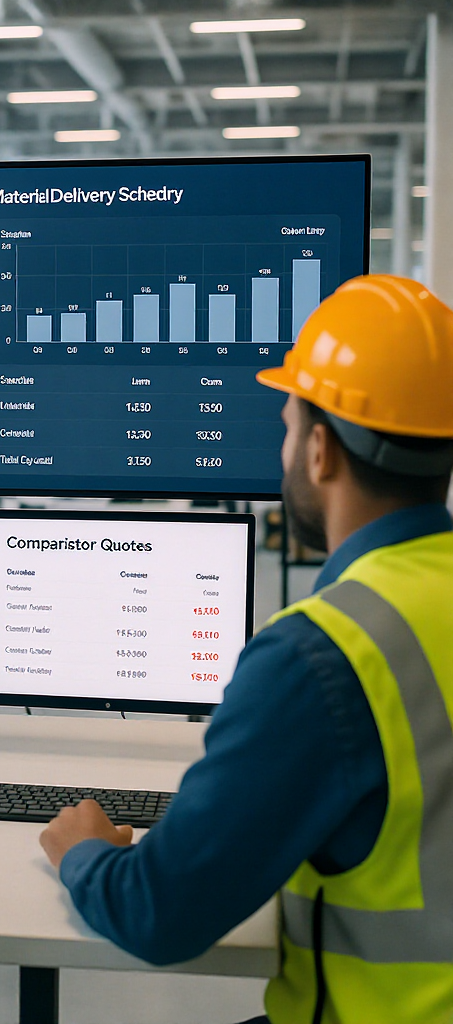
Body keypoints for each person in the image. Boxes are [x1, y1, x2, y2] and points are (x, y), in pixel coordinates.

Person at [38, 274, 453, 1024]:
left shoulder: (322, 655)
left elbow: (159, 912)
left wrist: (82, 851)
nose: (284, 448)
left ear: (320, 450)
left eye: (288, 425)